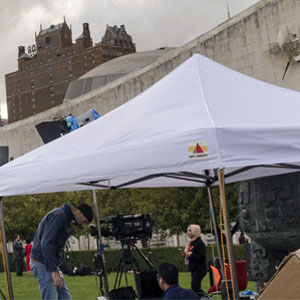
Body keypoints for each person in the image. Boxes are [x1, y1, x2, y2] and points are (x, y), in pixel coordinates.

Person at [30, 202, 93, 300]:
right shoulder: (59, 216)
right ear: (80, 213)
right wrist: (53, 271)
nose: (82, 224)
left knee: (65, 297)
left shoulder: (64, 217)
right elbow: (46, 243)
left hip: (49, 264)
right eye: (84, 221)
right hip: (42, 263)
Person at [184, 224, 207, 293]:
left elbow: (202, 256)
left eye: (190, 231)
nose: (188, 232)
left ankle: (206, 297)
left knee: (195, 287)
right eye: (187, 231)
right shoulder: (191, 243)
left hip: (199, 269)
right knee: (195, 287)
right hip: (193, 268)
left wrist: (191, 255)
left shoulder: (199, 243)